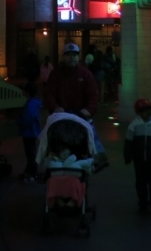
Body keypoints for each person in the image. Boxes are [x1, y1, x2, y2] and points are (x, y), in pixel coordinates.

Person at [43, 43, 108, 171]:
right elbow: (49, 94)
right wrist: (55, 107)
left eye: (74, 55)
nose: (72, 58)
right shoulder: (56, 74)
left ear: (79, 57)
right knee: (47, 138)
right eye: (68, 55)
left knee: (91, 134)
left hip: (81, 116)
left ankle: (98, 158)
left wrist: (88, 110)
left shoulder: (86, 74)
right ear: (63, 57)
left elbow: (94, 96)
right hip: (61, 116)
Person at [123, 98, 151, 217]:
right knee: (141, 183)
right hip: (139, 160)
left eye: (149, 110)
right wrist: (128, 156)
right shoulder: (134, 125)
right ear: (138, 112)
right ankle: (143, 205)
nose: (148, 113)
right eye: (144, 110)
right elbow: (128, 142)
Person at [17, 79, 42, 182]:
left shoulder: (30, 104)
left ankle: (32, 172)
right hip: (32, 131)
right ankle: (30, 170)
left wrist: (20, 123)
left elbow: (28, 117)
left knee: (30, 153)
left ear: (27, 92)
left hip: (29, 132)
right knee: (30, 152)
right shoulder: (34, 103)